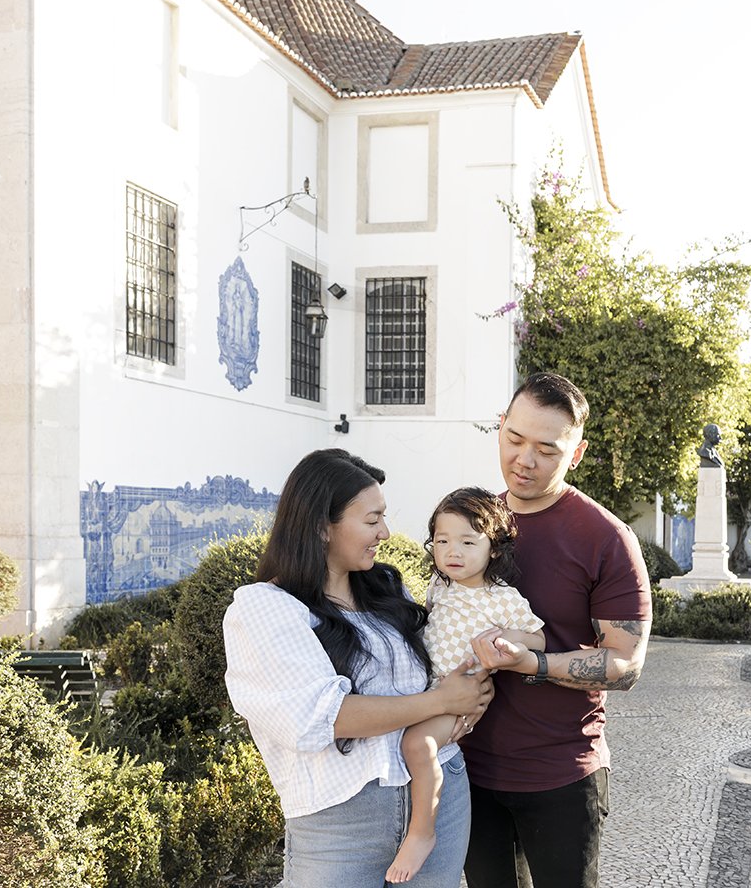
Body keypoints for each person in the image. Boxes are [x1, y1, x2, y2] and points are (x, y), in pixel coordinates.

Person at [222, 449, 493, 888]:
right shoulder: (265, 608)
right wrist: (441, 701)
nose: (385, 532)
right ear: (319, 526)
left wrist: (470, 698)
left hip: (441, 795)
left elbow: (444, 667)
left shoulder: (386, 589)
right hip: (341, 823)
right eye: (372, 520)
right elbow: (319, 718)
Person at [461, 372, 652, 888]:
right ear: (500, 427)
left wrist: (535, 664)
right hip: (469, 773)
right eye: (514, 439)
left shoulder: (605, 537)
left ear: (577, 453)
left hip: (562, 775)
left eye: (546, 449)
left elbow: (625, 664)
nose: (524, 459)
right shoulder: (472, 523)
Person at [387, 487, 546, 884]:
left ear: (493, 548)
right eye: (442, 541)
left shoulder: (504, 600)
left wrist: (507, 640)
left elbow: (539, 640)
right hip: (427, 690)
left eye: (467, 542)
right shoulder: (438, 588)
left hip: (455, 698)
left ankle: (422, 830)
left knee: (415, 745)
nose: (452, 552)